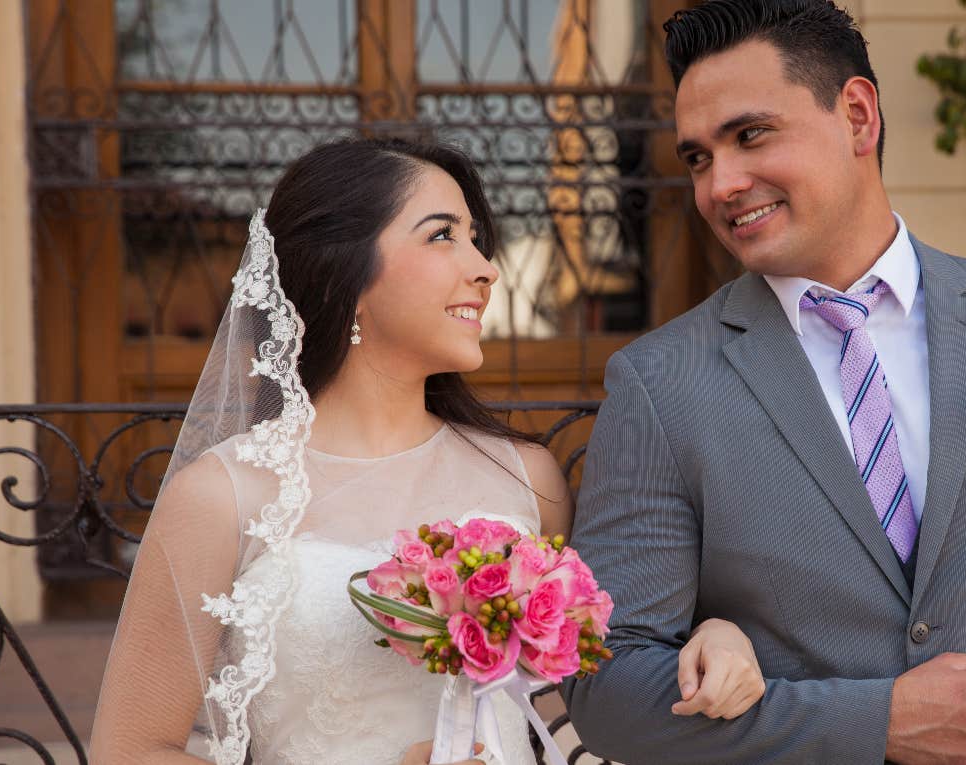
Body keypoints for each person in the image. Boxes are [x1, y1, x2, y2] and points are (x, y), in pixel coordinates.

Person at [563, 1, 966, 763]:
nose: (721, 184)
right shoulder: (660, 382)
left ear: (859, 116)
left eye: (750, 135)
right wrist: (876, 719)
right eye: (699, 157)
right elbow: (605, 689)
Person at [90, 136, 762, 765]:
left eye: (476, 239)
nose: (486, 269)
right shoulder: (222, 494)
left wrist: (713, 637)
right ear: (340, 271)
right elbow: (128, 749)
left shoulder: (527, 478)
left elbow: (584, 697)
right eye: (443, 235)